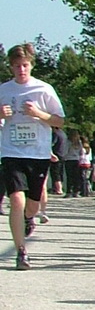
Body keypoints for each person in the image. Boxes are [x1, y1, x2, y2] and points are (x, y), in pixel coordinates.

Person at [0, 41, 65, 269]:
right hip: (11, 151)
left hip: (37, 153)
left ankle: (29, 219)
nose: (21, 70)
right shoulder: (4, 90)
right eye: (17, 66)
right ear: (11, 67)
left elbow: (59, 120)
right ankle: (21, 251)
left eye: (25, 65)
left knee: (32, 205)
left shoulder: (43, 89)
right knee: (16, 199)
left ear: (31, 65)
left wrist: (38, 113)